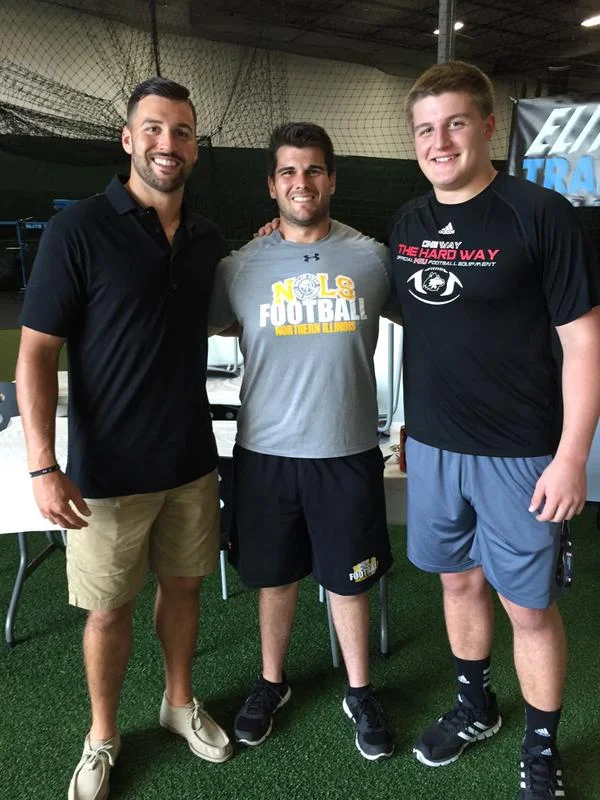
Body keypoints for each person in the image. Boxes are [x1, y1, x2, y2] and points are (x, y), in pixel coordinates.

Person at [386, 61, 600, 799]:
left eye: (453, 123)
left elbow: (582, 343)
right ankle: (476, 706)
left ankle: (542, 745)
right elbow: (428, 330)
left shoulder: (540, 214)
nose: (438, 140)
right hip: (436, 449)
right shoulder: (409, 221)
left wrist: (573, 457)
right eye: (424, 128)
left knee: (529, 608)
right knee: (457, 582)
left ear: (485, 127)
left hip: (521, 453)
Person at [16, 77, 232, 800]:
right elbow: (37, 353)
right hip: (105, 474)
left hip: (191, 464)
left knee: (184, 587)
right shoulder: (78, 229)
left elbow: (230, 314)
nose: (167, 143)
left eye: (181, 132)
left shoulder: (206, 237)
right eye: (154, 129)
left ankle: (177, 704)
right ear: (128, 139)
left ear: (195, 146)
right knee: (108, 610)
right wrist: (44, 465)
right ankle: (102, 735)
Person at [209, 122, 397, 761]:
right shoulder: (239, 267)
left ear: (333, 178)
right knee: (275, 577)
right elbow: (189, 323)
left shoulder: (372, 259)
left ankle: (360, 689)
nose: (301, 183)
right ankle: (271, 683)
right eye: (288, 172)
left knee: (350, 580)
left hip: (345, 453)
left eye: (313, 170)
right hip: (264, 454)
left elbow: (442, 318)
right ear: (271, 184)